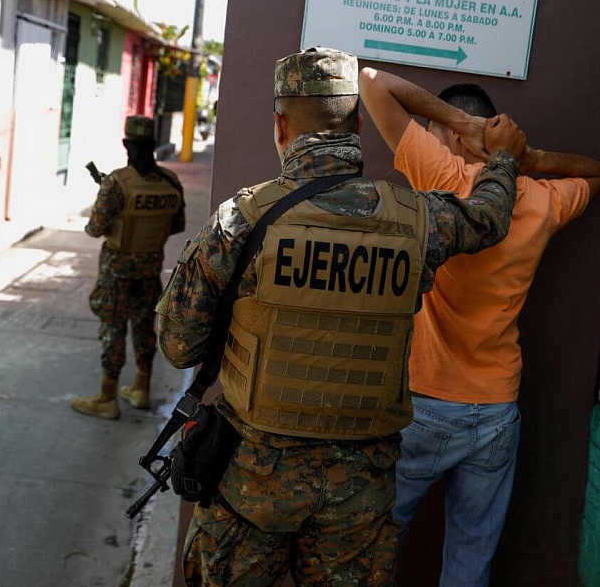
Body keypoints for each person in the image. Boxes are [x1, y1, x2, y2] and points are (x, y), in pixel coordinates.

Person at [155, 47, 524, 586]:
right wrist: (504, 158)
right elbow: (489, 218)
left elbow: (178, 345)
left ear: (281, 127)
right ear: (358, 127)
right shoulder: (417, 219)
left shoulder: (240, 222)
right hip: (359, 494)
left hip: (252, 485)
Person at [359, 71, 600, 586]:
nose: (430, 140)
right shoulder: (539, 199)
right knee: (471, 558)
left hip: (425, 405)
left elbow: (370, 83)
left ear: (455, 136)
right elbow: (598, 173)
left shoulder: (443, 175)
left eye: (435, 133)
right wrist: (529, 160)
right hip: (495, 410)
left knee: (371, 546)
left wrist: (461, 124)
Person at [71, 115, 185, 420]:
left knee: (113, 329)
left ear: (126, 144)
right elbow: (177, 225)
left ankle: (107, 398)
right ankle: (140, 389)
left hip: (117, 274)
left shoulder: (116, 183)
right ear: (153, 144)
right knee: (144, 329)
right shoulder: (171, 182)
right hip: (150, 271)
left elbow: (95, 229)